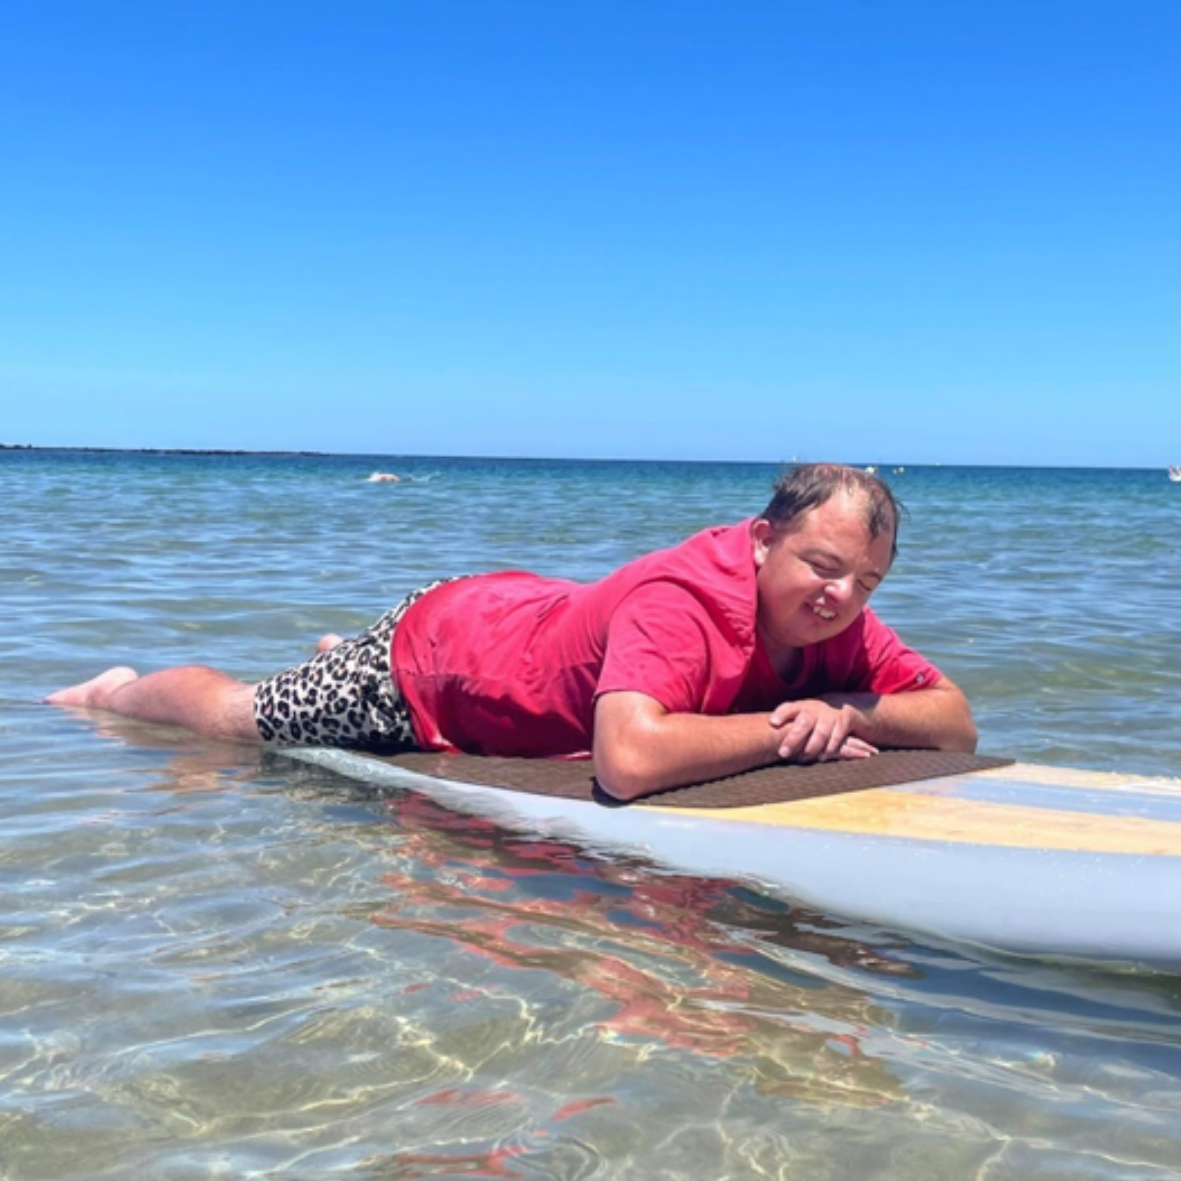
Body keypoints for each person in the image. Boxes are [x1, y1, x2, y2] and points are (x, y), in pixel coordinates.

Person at [46, 463, 977, 801]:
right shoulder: (683, 602)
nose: (841, 596)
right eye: (822, 566)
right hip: (434, 660)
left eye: (866, 581)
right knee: (241, 719)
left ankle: (339, 648)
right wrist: (785, 731)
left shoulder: (835, 613)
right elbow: (628, 762)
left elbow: (954, 722)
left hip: (526, 614)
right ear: (763, 539)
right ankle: (113, 689)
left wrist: (843, 708)